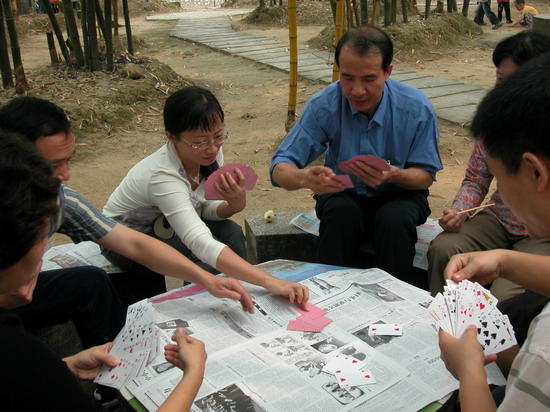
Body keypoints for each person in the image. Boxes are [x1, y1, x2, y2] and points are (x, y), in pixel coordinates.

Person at [0, 97, 258, 346]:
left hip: (157, 232)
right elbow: (192, 238)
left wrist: (208, 276)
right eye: (53, 164)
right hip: (9, 299)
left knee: (91, 281)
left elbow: (139, 242)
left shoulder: (62, 201)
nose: (66, 175)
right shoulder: (161, 174)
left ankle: (114, 367)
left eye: (218, 137)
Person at [0, 130, 207, 411]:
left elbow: (133, 243)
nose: (64, 176)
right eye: (41, 237)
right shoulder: (19, 355)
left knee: (89, 280)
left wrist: (68, 366)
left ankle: (115, 385)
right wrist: (193, 373)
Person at [102, 86, 309, 307]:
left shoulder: (209, 152)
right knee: (202, 254)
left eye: (218, 136)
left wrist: (232, 205)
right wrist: (271, 281)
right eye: (199, 141)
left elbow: (201, 208)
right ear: (171, 137)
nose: (212, 148)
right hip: (126, 240)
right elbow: (199, 241)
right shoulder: (162, 176)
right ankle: (204, 307)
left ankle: (243, 295)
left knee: (231, 232)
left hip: (166, 228)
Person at [270, 25, 442, 284]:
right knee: (340, 214)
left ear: (388, 72)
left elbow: (424, 176)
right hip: (344, 192)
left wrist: (394, 174)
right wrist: (305, 177)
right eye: (347, 78)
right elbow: (280, 167)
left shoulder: (416, 107)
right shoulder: (324, 104)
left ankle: (394, 301)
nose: (357, 90)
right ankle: (327, 292)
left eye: (369, 79)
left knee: (394, 221)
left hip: (400, 193)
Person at [439, 52, 550, 411]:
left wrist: (469, 370)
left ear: (536, 172)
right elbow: (474, 180)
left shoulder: (544, 349)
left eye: (501, 177)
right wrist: (503, 260)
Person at [427, 31, 550, 301]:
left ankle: (493, 342)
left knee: (510, 293)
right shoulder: (494, 121)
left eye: (514, 83)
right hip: (500, 223)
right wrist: (459, 211)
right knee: (447, 248)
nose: (503, 93)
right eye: (500, 81)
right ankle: (445, 324)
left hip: (540, 232)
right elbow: (476, 178)